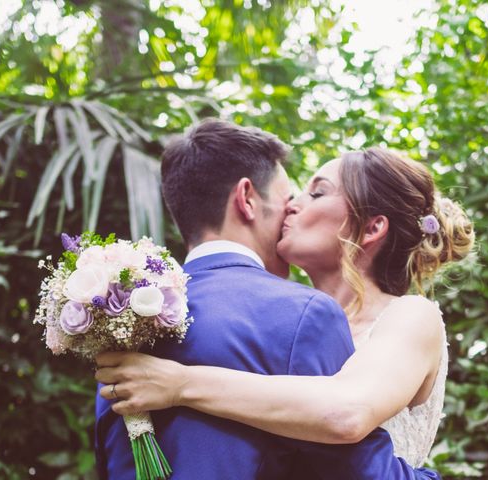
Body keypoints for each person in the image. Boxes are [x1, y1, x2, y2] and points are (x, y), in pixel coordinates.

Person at [94, 119, 441, 479]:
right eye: (290, 196)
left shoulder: (123, 318)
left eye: (316, 193)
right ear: (247, 199)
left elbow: (347, 415)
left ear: (372, 227)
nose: (292, 207)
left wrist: (181, 384)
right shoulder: (300, 317)